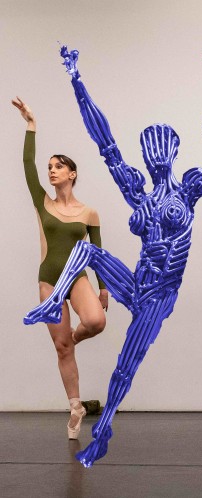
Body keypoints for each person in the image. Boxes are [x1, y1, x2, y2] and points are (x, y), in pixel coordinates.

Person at [25, 46, 202, 467]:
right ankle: (54, 302)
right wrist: (77, 80)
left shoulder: (189, 189)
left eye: (160, 146)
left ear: (171, 152)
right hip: (137, 281)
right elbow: (104, 142)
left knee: (126, 362)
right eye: (149, 146)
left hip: (160, 293)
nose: (154, 153)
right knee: (85, 248)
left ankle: (102, 432)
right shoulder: (137, 192)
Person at [13, 96, 108, 440]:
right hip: (50, 280)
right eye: (49, 166)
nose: (51, 170)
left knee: (96, 321)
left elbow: (97, 252)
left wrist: (104, 287)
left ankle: (71, 336)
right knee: (63, 349)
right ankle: (75, 407)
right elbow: (26, 164)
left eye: (57, 166)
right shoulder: (43, 203)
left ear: (72, 173)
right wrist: (30, 125)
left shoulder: (89, 213)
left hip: (78, 277)